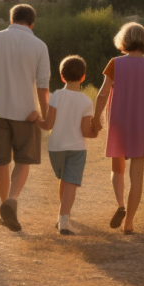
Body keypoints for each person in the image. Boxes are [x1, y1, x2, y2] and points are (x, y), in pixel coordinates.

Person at [0, 4, 51, 232]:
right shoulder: (39, 46)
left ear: (11, 19)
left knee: (1, 160)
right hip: (26, 113)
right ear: (32, 23)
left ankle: (4, 207)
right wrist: (46, 117)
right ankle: (12, 200)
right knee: (24, 160)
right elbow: (43, 86)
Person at [90, 22, 144, 234]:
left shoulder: (115, 63)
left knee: (117, 168)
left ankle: (120, 205)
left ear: (123, 40)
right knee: (137, 175)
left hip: (118, 122)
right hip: (142, 123)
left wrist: (96, 119)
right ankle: (129, 223)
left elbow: (102, 93)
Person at [37, 55, 98, 235]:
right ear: (83, 77)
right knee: (70, 183)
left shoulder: (56, 96)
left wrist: (35, 119)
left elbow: (48, 125)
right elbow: (86, 132)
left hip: (56, 147)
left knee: (63, 179)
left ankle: (63, 214)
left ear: (62, 77)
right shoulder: (86, 101)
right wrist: (95, 132)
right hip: (77, 148)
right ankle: (63, 221)